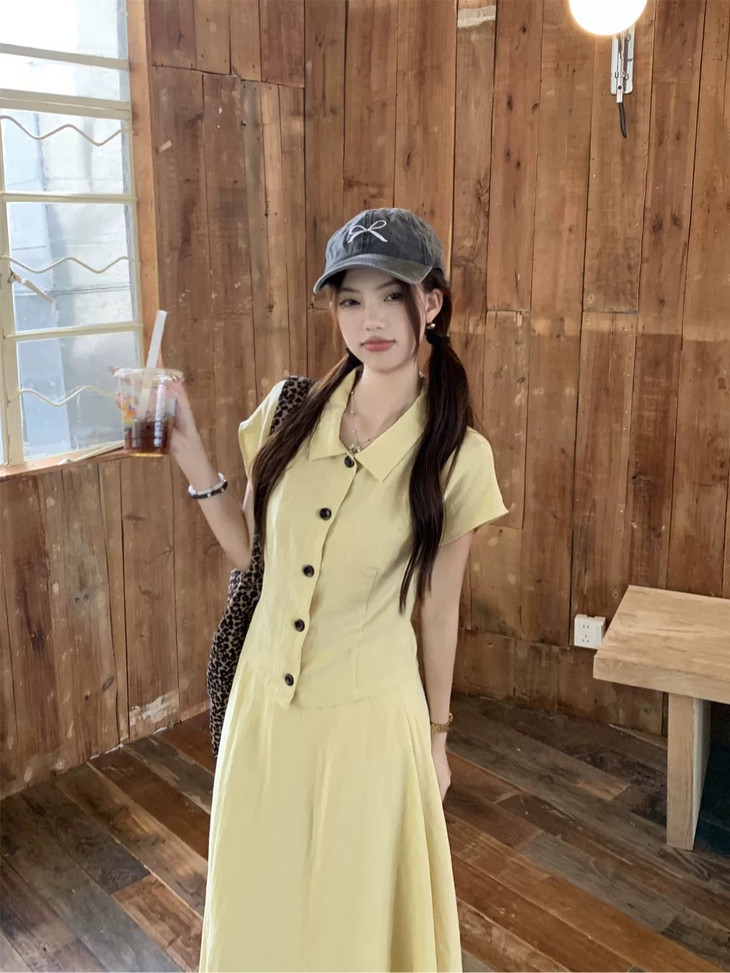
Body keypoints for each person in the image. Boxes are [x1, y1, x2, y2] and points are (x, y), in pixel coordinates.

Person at [170, 208, 508, 972]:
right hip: (265, 710)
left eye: (391, 296)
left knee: (350, 923)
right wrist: (188, 448)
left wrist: (438, 736)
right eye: (350, 300)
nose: (370, 320)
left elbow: (439, 611)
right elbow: (252, 552)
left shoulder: (458, 455)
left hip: (368, 726)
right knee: (263, 908)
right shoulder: (290, 411)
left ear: (432, 302)